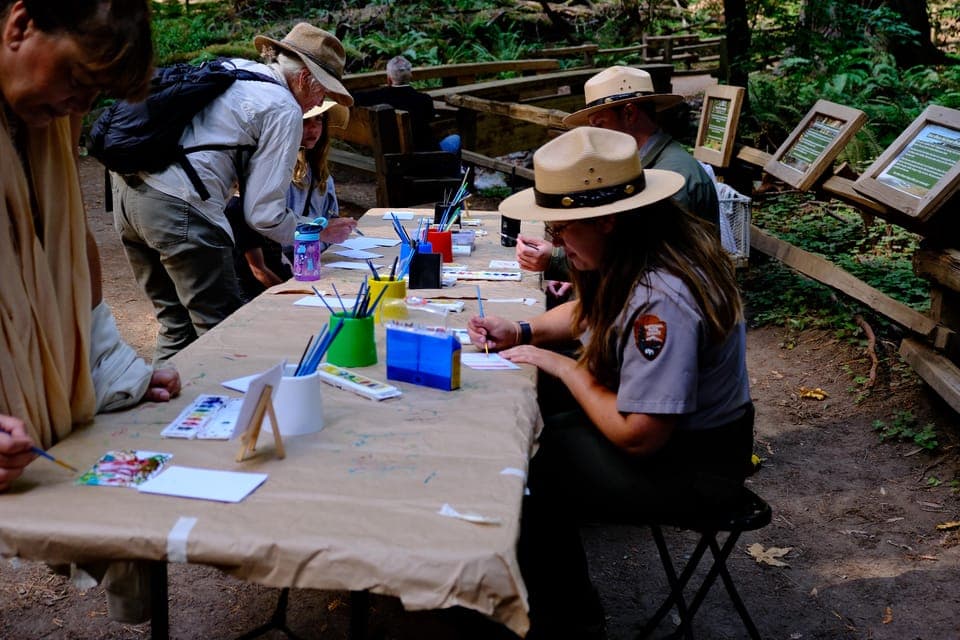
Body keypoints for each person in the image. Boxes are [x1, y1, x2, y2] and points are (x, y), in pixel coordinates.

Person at [467, 127, 753, 639]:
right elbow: (591, 311)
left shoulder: (662, 297)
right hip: (677, 440)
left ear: (608, 221)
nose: (555, 244)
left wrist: (565, 367)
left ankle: (567, 622)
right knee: (525, 419)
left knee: (519, 474)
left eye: (562, 231)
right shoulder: (639, 256)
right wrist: (524, 329)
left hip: (694, 466)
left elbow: (639, 435)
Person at [0, 0, 183, 623]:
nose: (77, 108)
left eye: (93, 97)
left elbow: (66, 246)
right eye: (77, 82)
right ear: (19, 25)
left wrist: (105, 361)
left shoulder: (45, 116)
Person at [112, 23, 353, 363]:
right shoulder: (283, 108)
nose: (319, 103)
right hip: (179, 208)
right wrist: (317, 229)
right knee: (222, 335)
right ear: (304, 80)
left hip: (128, 196)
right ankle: (228, 414)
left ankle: (171, 412)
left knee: (176, 327)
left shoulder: (237, 70)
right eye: (323, 94)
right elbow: (263, 215)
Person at [516, 66, 720, 299]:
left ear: (630, 114)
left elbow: (644, 259)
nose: (595, 136)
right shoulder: (638, 166)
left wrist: (558, 260)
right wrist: (580, 271)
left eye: (600, 125)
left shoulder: (673, 177)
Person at [228, 99, 356, 299]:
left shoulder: (321, 175)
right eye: (306, 122)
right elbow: (260, 264)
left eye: (319, 120)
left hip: (310, 264)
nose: (313, 128)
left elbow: (329, 221)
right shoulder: (273, 176)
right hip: (274, 279)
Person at [354, 54, 460, 153]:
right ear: (410, 76)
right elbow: (430, 118)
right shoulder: (424, 99)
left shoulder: (378, 96)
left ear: (389, 79)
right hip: (425, 155)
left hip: (393, 157)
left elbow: (355, 97)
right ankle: (455, 172)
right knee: (455, 139)